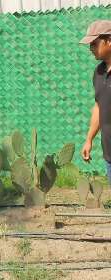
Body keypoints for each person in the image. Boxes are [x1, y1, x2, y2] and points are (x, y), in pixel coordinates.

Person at [80, 21, 111, 185]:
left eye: (94, 43)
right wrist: (89, 139)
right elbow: (99, 106)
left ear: (109, 40)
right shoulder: (98, 73)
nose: (90, 48)